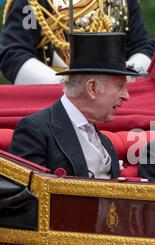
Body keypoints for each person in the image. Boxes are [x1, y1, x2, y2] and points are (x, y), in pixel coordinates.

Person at [8, 32, 136, 179]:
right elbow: (25, 197)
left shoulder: (105, 143)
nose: (126, 96)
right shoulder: (35, 131)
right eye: (120, 86)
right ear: (92, 88)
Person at [0, 0, 155, 84]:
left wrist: (127, 76)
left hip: (116, 100)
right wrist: (60, 84)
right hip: (54, 104)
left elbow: (143, 46)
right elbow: (13, 53)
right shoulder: (33, 3)